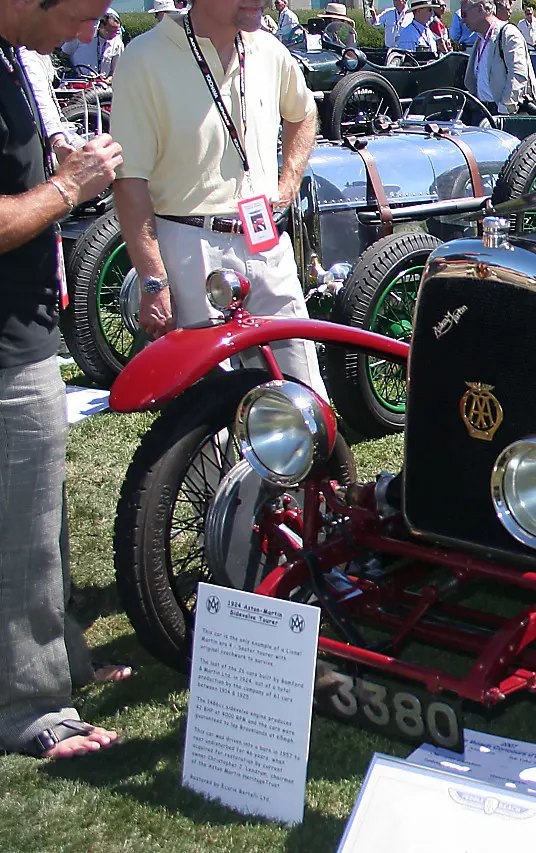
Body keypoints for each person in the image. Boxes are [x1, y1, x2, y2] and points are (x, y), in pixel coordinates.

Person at [1, 0, 129, 761]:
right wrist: (67, 189)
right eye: (79, 14)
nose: (86, 31)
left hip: (26, 332)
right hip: (7, 347)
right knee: (21, 535)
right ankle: (32, 711)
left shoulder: (17, 61)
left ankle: (64, 665)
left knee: (41, 524)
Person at [110, 0, 327, 396]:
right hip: (191, 246)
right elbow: (129, 180)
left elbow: (304, 112)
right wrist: (153, 280)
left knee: (302, 391)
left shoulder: (267, 48)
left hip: (265, 238)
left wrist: (289, 180)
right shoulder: (144, 58)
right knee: (208, 407)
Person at [462, 0, 534, 114]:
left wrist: (505, 108)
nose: (463, 20)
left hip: (502, 112)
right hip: (481, 109)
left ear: (480, 9)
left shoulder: (508, 34)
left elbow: (518, 74)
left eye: (464, 14)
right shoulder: (480, 38)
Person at [60, 7, 123, 77]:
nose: (112, 35)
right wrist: (72, 72)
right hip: (78, 81)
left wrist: (109, 79)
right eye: (109, 32)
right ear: (101, 26)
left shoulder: (117, 43)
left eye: (115, 32)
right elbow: (64, 55)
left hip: (103, 84)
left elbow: (116, 71)